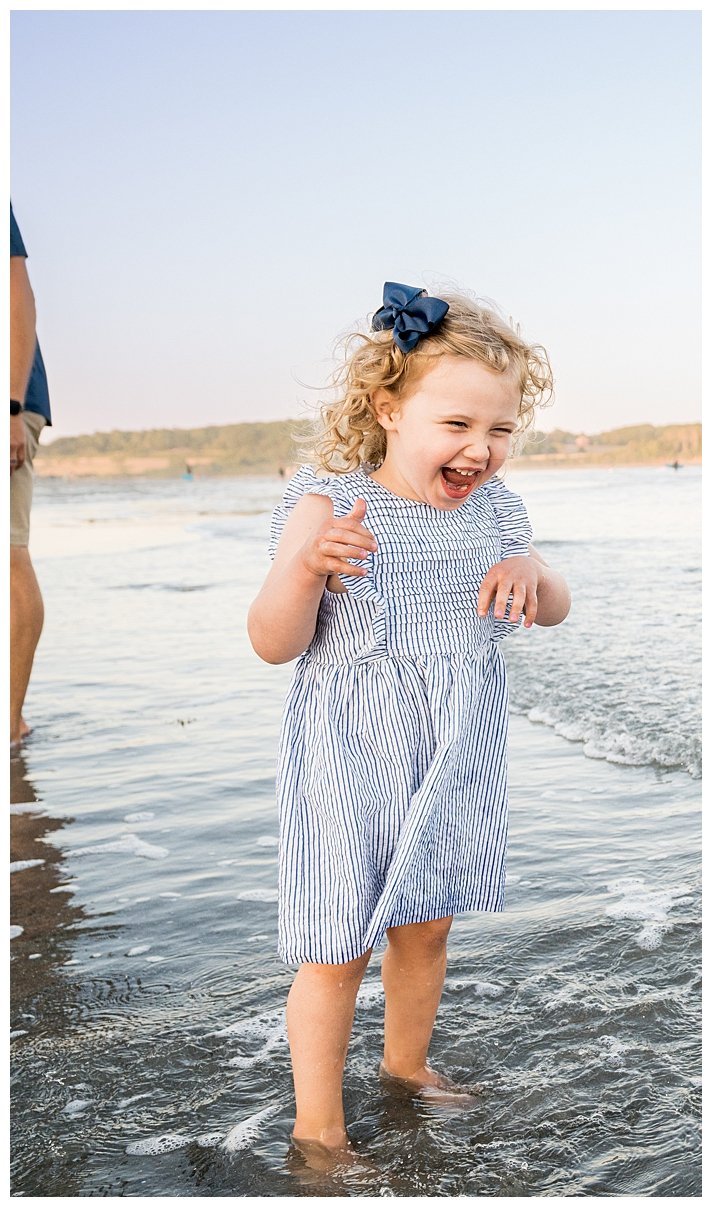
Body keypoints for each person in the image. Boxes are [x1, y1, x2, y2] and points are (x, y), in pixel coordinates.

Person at [247, 282, 570, 1163]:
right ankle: (317, 1126)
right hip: (350, 750)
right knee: (337, 940)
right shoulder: (329, 507)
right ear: (388, 408)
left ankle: (405, 1065)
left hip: (457, 748)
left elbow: (557, 608)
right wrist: (308, 569)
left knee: (427, 923)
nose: (481, 449)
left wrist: (529, 570)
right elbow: (273, 643)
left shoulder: (500, 513)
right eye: (457, 425)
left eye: (500, 431)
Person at [10, 205, 52, 748]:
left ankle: (9, 721)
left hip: (9, 406)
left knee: (9, 553)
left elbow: (17, 294)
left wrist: (12, 406)